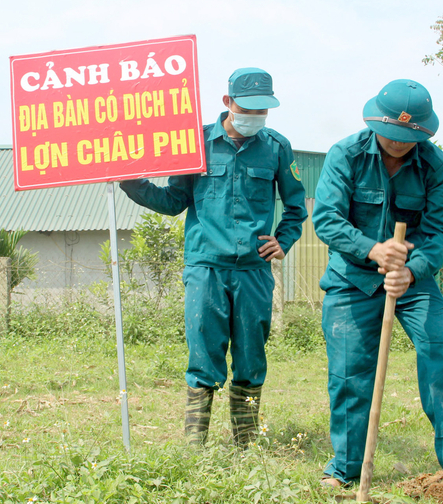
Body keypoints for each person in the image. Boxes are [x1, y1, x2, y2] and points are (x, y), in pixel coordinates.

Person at [312, 79, 443, 502]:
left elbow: (442, 231)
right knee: (350, 371)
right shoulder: (346, 155)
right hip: (352, 279)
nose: (398, 143)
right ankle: (345, 468)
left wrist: (411, 271)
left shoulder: (435, 165)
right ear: (375, 121)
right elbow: (327, 220)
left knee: (439, 351)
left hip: (413, 282)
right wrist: (373, 249)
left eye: (409, 137)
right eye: (392, 133)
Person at [120, 67, 307, 447]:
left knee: (252, 356)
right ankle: (195, 447)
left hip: (253, 271)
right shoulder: (196, 142)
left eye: (262, 110)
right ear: (227, 102)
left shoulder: (276, 146)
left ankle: (245, 444)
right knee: (203, 352)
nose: (255, 117)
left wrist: (283, 240)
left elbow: (296, 205)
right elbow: (174, 201)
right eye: (247, 108)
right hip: (205, 267)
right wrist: (130, 181)